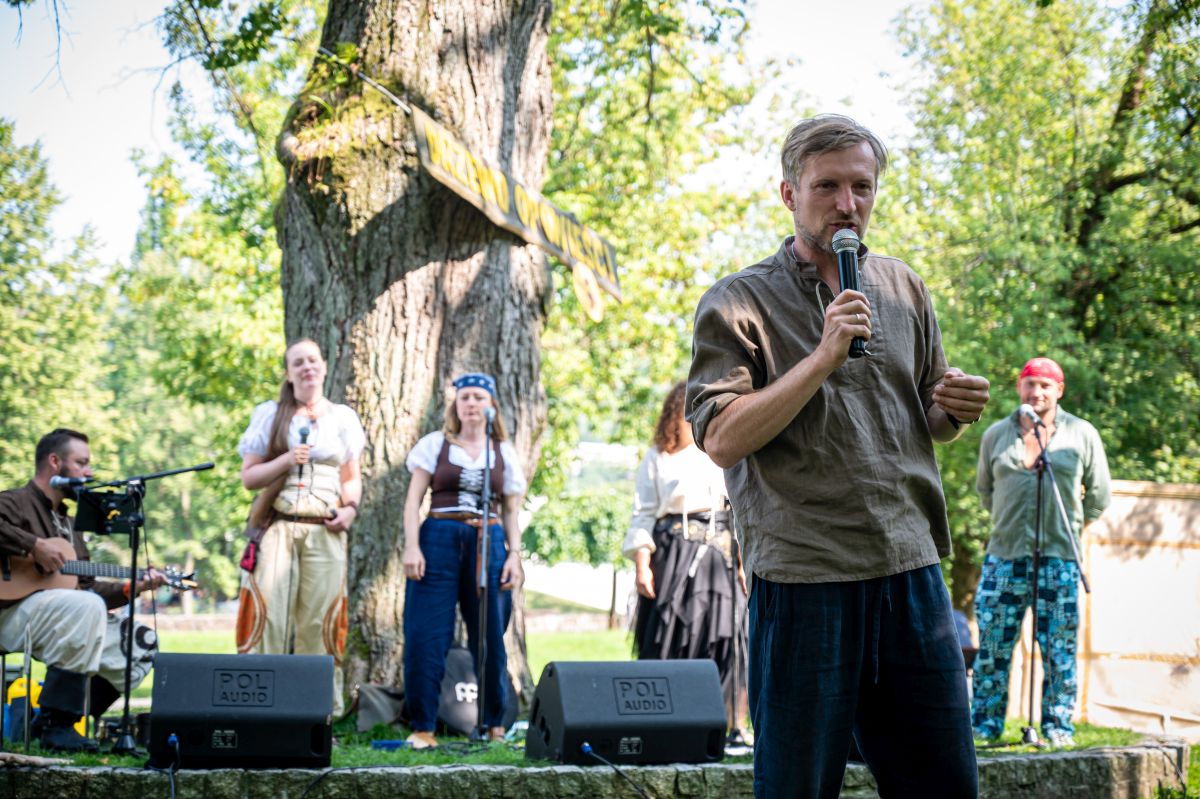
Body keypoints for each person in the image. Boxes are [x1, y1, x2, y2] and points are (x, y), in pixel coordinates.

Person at [687, 114, 991, 798]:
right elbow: (722, 438)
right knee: (797, 787)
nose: (847, 203)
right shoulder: (739, 301)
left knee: (945, 787)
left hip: (911, 567)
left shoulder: (903, 286)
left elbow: (924, 420)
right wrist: (822, 357)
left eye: (861, 186)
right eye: (827, 186)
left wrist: (953, 410)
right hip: (806, 577)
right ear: (788, 194)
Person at [972, 356, 1111, 747]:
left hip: (1059, 559)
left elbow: (1098, 497)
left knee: (1059, 650)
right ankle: (983, 727)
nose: (1037, 392)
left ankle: (1057, 728)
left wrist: (1068, 529)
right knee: (993, 646)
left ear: (1059, 390)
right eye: (1030, 383)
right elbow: (986, 491)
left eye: (1045, 385)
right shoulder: (996, 435)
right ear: (1019, 386)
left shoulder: (1082, 434)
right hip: (1004, 557)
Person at [0, 429, 166, 751]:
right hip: (9, 613)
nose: (89, 473)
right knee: (84, 605)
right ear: (54, 462)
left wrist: (131, 588)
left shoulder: (70, 525)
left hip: (58, 618)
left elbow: (85, 587)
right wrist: (33, 545)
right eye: (82, 463)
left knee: (141, 643)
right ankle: (58, 725)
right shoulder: (15, 502)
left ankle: (49, 718)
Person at [235, 338, 365, 717]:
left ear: (323, 366)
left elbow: (351, 478)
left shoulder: (342, 418)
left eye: (312, 360)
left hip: (325, 531)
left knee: (322, 621)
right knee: (267, 617)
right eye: (298, 363)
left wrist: (350, 509)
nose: (307, 367)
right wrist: (288, 459)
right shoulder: (271, 414)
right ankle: (258, 713)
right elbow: (249, 478)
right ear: (289, 374)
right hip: (277, 528)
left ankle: (317, 715)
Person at [400, 372, 526, 749]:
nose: (471, 404)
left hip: (489, 542)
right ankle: (423, 726)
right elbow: (413, 500)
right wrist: (412, 546)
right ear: (456, 405)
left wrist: (514, 556)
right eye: (465, 397)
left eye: (478, 397)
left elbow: (510, 512)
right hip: (438, 537)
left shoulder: (503, 452)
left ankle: (494, 724)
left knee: (490, 635)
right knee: (426, 634)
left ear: (491, 406)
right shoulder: (434, 445)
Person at [623, 380, 748, 735]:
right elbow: (643, 515)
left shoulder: (723, 451)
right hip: (674, 554)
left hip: (721, 553)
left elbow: (742, 509)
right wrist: (642, 565)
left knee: (728, 635)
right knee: (671, 634)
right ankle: (667, 722)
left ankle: (730, 725)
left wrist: (743, 562)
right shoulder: (659, 457)